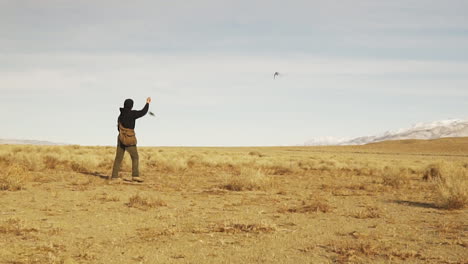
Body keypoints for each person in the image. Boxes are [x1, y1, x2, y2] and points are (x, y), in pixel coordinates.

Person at [110, 97, 151, 183]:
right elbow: (143, 112)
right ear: (131, 106)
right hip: (129, 138)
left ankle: (114, 177)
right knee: (135, 157)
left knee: (118, 158)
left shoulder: (120, 115)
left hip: (120, 137)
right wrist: (147, 103)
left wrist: (123, 134)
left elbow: (118, 127)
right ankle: (135, 176)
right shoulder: (132, 114)